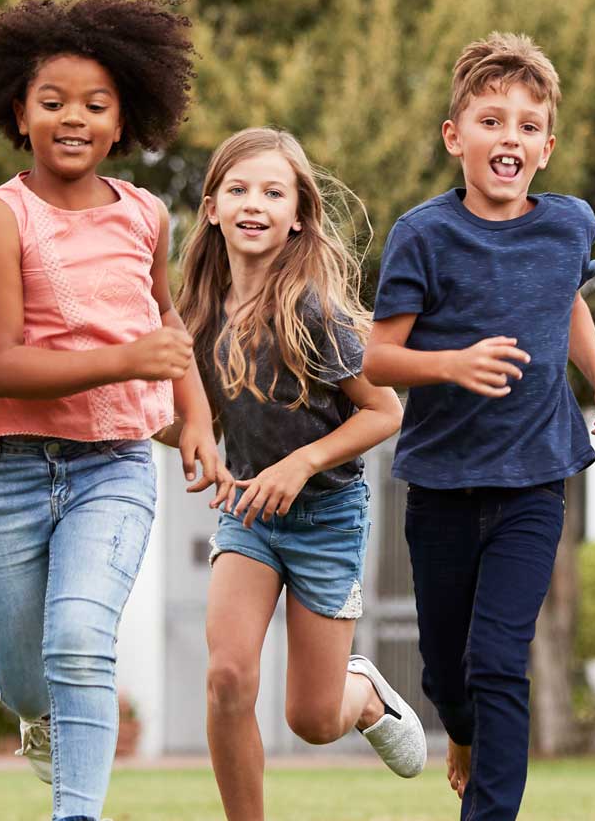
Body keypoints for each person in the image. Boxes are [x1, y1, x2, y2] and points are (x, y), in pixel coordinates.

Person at [0, 0, 223, 821]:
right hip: (11, 470)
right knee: (27, 678)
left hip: (114, 468)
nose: (75, 118)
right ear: (18, 113)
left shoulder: (145, 215)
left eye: (96, 105)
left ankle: (77, 812)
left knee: (79, 643)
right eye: (53, 101)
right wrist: (126, 360)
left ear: (123, 116)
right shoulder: (0, 220)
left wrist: (196, 418)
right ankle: (38, 721)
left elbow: (165, 323)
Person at [363, 33, 595, 820]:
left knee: (498, 659)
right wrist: (450, 364)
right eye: (490, 120)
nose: (507, 138)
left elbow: (569, 303)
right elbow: (380, 359)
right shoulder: (423, 235)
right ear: (456, 137)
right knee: (450, 673)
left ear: (546, 148)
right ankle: (459, 730)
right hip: (443, 485)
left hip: (534, 482)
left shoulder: (570, 225)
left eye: (525, 125)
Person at [173, 127, 423, 820]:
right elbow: (188, 422)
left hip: (326, 520)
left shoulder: (315, 312)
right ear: (213, 208)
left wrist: (301, 462)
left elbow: (384, 412)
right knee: (227, 677)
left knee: (313, 719)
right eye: (239, 189)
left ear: (298, 215)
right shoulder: (198, 317)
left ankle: (364, 694)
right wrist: (185, 439)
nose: (255, 204)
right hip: (248, 518)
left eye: (273, 192)